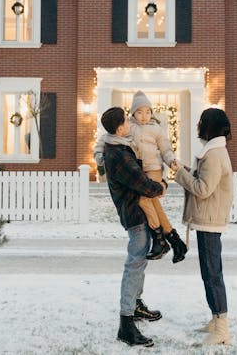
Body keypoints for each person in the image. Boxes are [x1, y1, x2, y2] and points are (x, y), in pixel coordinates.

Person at [100, 106, 168, 347]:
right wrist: (160, 188)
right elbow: (138, 180)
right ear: (120, 128)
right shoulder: (118, 153)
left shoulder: (121, 145)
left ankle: (136, 306)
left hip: (137, 211)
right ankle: (126, 323)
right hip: (133, 214)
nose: (131, 123)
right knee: (134, 264)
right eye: (126, 122)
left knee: (139, 262)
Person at [95, 91, 188, 263]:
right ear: (133, 113)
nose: (144, 116)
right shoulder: (128, 126)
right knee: (155, 206)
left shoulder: (157, 129)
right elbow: (105, 138)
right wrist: (98, 155)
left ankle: (160, 239)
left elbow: (166, 150)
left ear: (152, 112)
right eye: (139, 112)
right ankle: (175, 240)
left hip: (152, 169)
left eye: (147, 112)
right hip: (138, 171)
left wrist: (171, 161)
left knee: (145, 201)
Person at [172, 108, 234, 346]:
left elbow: (202, 189)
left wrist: (180, 174)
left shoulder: (214, 154)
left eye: (200, 122)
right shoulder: (214, 152)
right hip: (208, 219)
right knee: (209, 272)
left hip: (210, 220)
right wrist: (186, 170)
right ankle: (216, 319)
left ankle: (222, 328)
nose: (198, 125)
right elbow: (204, 180)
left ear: (208, 126)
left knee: (212, 273)